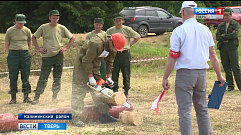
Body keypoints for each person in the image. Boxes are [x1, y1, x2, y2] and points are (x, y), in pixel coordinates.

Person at [162, 1, 226, 135]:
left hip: (185, 74)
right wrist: (220, 76)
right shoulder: (206, 29)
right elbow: (213, 55)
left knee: (185, 112)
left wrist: (165, 77)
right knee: (202, 109)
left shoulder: (179, 31)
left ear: (183, 12)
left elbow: (173, 56)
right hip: (201, 74)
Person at [71, 32, 125, 127]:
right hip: (82, 64)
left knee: (99, 90)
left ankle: (104, 115)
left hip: (95, 64)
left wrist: (109, 77)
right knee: (79, 91)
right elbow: (86, 60)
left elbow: (110, 61)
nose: (114, 50)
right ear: (110, 41)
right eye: (114, 47)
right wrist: (90, 76)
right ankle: (76, 118)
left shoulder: (113, 46)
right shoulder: (96, 43)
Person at [31, 10, 75, 104]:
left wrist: (66, 47)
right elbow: (34, 37)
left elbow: (72, 38)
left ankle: (54, 97)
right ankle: (36, 97)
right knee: (43, 77)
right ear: (49, 18)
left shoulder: (62, 28)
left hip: (58, 55)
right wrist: (38, 48)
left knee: (57, 77)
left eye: (57, 18)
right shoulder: (43, 27)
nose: (55, 20)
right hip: (47, 56)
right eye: (54, 18)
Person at [106, 13, 141, 98]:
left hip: (124, 52)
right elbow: (106, 39)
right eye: (117, 21)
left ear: (123, 21)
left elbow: (138, 36)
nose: (119, 23)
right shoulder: (110, 30)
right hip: (114, 53)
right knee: (114, 71)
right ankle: (114, 89)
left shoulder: (127, 29)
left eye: (120, 21)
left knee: (126, 72)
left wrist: (130, 45)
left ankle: (126, 90)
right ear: (114, 21)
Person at [4, 14, 32, 104]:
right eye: (19, 23)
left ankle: (26, 97)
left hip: (24, 54)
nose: (21, 25)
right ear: (15, 21)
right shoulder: (10, 31)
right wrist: (11, 52)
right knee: (13, 76)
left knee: (26, 76)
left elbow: (29, 42)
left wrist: (26, 50)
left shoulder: (27, 30)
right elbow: (6, 43)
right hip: (13, 54)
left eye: (22, 23)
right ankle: (13, 97)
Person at [216, 8, 241, 92]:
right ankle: (230, 86)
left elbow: (234, 35)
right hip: (223, 47)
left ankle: (240, 86)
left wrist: (224, 36)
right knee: (226, 67)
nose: (226, 17)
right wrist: (227, 36)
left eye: (227, 15)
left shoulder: (235, 24)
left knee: (235, 67)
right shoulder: (221, 26)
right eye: (224, 15)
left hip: (232, 47)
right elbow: (218, 37)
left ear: (231, 15)